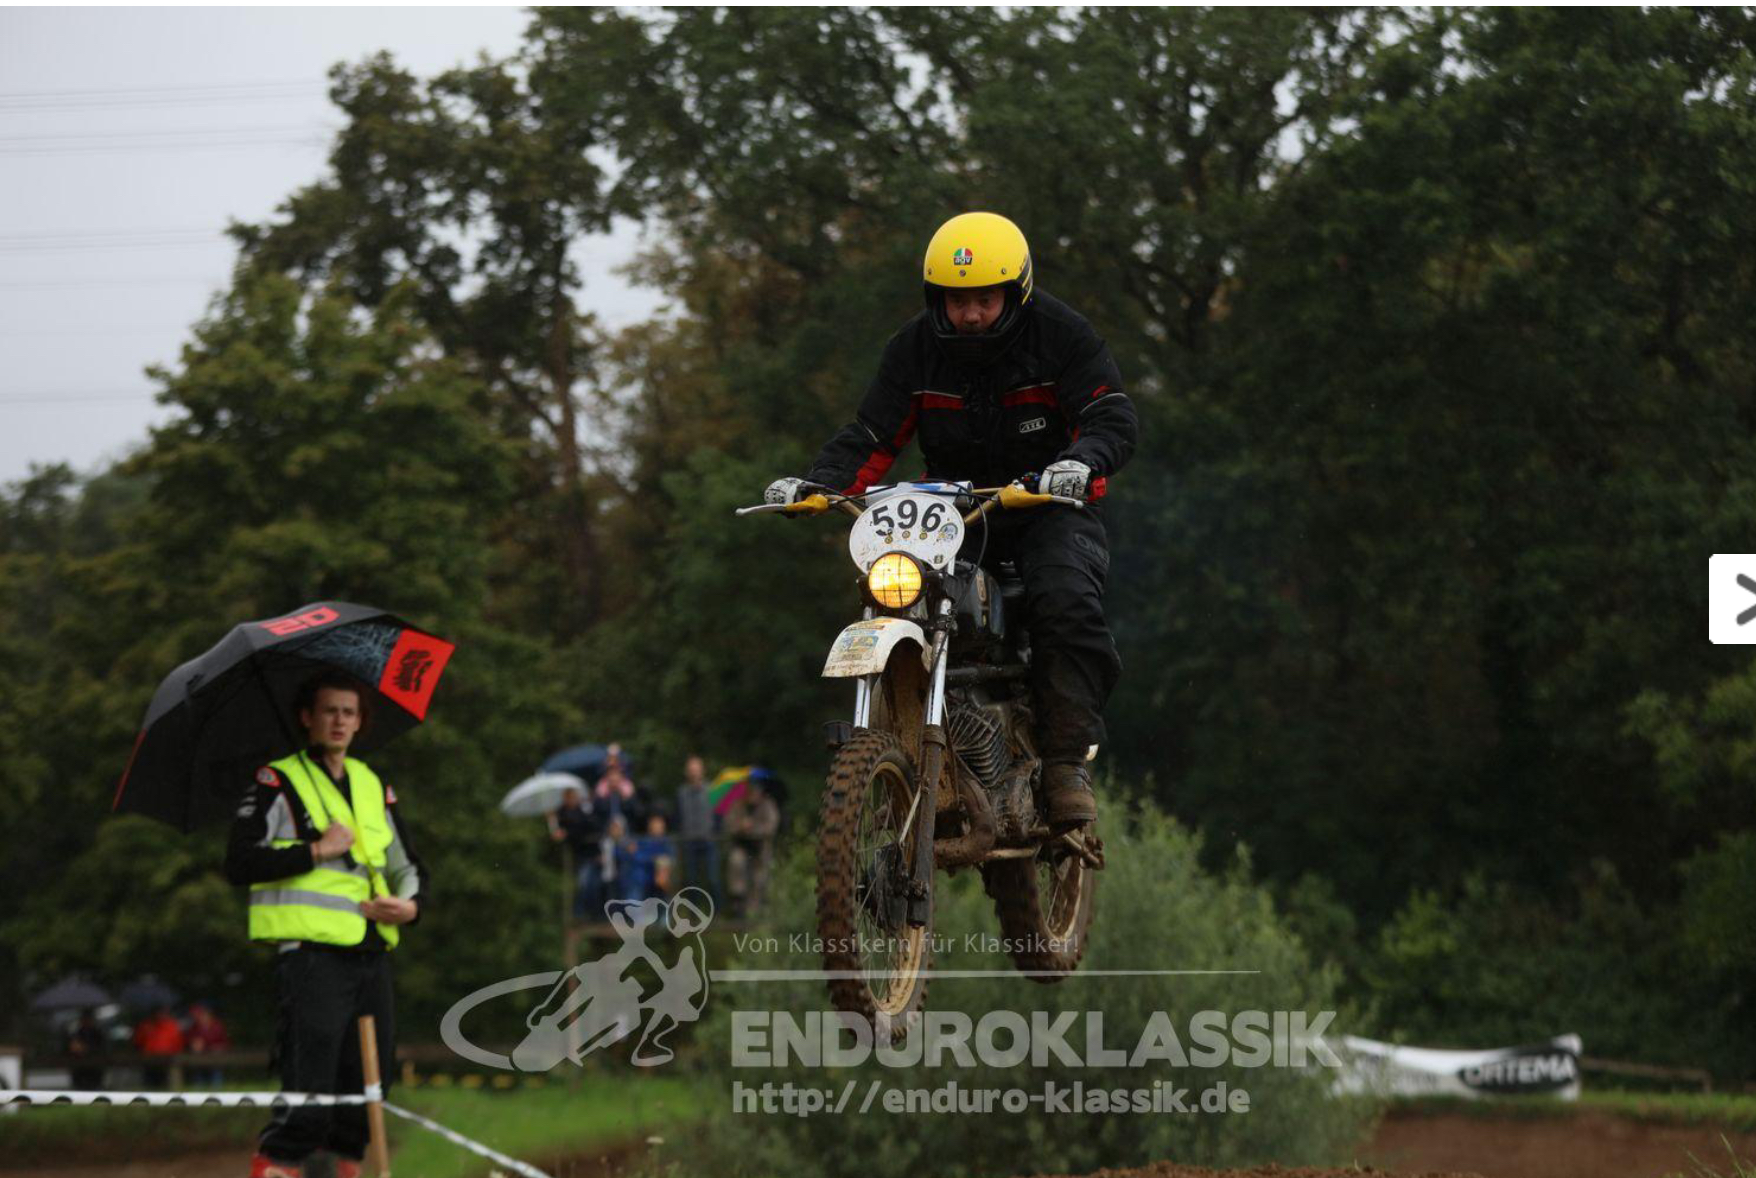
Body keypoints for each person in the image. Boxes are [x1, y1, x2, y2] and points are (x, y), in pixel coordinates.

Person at [765, 211, 1137, 830]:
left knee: (1065, 600)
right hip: (955, 515)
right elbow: (872, 435)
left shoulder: (1063, 335)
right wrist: (819, 484)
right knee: (903, 597)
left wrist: (1079, 462)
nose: (969, 315)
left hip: (1049, 507)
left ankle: (1066, 760)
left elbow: (1111, 416)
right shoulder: (913, 349)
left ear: (1015, 292)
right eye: (956, 300)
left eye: (984, 300)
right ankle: (918, 745)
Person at [224, 671, 427, 1178]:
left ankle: (345, 1167)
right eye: (329, 711)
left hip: (371, 952)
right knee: (308, 1094)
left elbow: (408, 866)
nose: (339, 721)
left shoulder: (372, 784)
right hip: (310, 957)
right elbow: (240, 862)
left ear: (360, 722)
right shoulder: (276, 781)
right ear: (307, 718)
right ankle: (277, 1166)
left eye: (348, 712)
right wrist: (316, 850)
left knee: (366, 1093)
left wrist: (410, 906)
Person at [723, 778, 780, 920]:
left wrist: (754, 828)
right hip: (741, 846)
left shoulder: (767, 805)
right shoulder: (737, 805)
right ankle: (738, 903)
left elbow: (771, 827)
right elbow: (728, 825)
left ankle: (755, 910)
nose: (753, 795)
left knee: (759, 878)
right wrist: (740, 827)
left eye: (756, 792)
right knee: (736, 863)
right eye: (750, 792)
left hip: (760, 847)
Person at [550, 786, 608, 920]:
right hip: (579, 854)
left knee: (594, 885)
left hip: (592, 852)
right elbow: (562, 833)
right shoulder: (561, 813)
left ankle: (593, 914)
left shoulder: (584, 810)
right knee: (583, 884)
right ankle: (580, 914)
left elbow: (589, 827)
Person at [674, 756, 719, 904]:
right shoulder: (681, 793)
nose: (694, 773)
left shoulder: (712, 790)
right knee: (691, 880)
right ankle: (693, 913)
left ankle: (717, 911)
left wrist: (715, 832)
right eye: (691, 770)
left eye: (696, 770)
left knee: (713, 879)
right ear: (686, 772)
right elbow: (677, 816)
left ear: (702, 771)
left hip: (708, 840)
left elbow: (718, 815)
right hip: (689, 841)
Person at [132, 1004, 185, 1088]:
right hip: (148, 1059)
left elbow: (178, 1042)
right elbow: (138, 1041)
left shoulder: (171, 1025)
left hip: (167, 1059)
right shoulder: (146, 1025)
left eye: (162, 1013)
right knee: (149, 1082)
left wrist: (174, 1054)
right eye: (158, 1013)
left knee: (165, 1081)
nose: (160, 1015)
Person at [186, 1003, 232, 1087]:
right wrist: (193, 1044)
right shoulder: (195, 1027)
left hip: (216, 1056)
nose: (202, 1017)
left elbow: (225, 1042)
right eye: (201, 1015)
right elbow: (190, 1041)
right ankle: (199, 1086)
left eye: (204, 1015)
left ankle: (216, 1087)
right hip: (200, 1056)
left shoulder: (217, 1026)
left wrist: (218, 1047)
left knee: (216, 1066)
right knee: (197, 1065)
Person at [67, 1009, 106, 1091]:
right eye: (84, 1020)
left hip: (94, 1062)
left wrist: (87, 1048)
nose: (86, 1022)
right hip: (79, 1063)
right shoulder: (78, 1032)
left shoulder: (97, 1032)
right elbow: (72, 1046)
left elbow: (101, 1046)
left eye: (88, 1019)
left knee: (95, 1078)